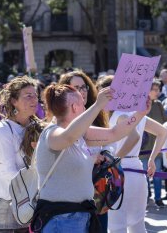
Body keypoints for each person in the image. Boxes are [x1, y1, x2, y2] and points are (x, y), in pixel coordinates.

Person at [31, 84, 151, 233]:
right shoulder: (51, 133)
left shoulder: (81, 133)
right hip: (61, 218)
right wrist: (98, 105)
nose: (85, 107)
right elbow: (68, 137)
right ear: (75, 107)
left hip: (79, 215)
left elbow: (114, 133)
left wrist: (140, 114)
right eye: (82, 103)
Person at [0, 76, 39, 233]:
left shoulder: (37, 127)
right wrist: (36, 188)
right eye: (28, 95)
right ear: (14, 101)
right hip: (1, 201)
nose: (34, 99)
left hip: (27, 200)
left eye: (35, 95)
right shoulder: (2, 130)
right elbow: (8, 172)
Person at [108, 97, 167, 233]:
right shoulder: (136, 115)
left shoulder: (120, 114)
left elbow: (133, 137)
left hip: (119, 173)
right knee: (137, 224)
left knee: (117, 226)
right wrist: (152, 159)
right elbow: (163, 132)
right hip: (137, 171)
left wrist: (114, 161)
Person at [60, 70, 110, 232]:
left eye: (84, 87)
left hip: (98, 189)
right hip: (72, 195)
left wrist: (106, 154)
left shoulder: (98, 115)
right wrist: (90, 157)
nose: (82, 91)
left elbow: (112, 137)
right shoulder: (60, 121)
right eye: (76, 87)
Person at [140, 80, 167, 207]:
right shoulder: (140, 105)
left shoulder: (158, 105)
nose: (158, 92)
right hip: (143, 149)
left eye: (158, 89)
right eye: (155, 90)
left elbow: (164, 121)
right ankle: (145, 197)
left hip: (156, 148)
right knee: (144, 176)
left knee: (157, 175)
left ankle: (158, 198)